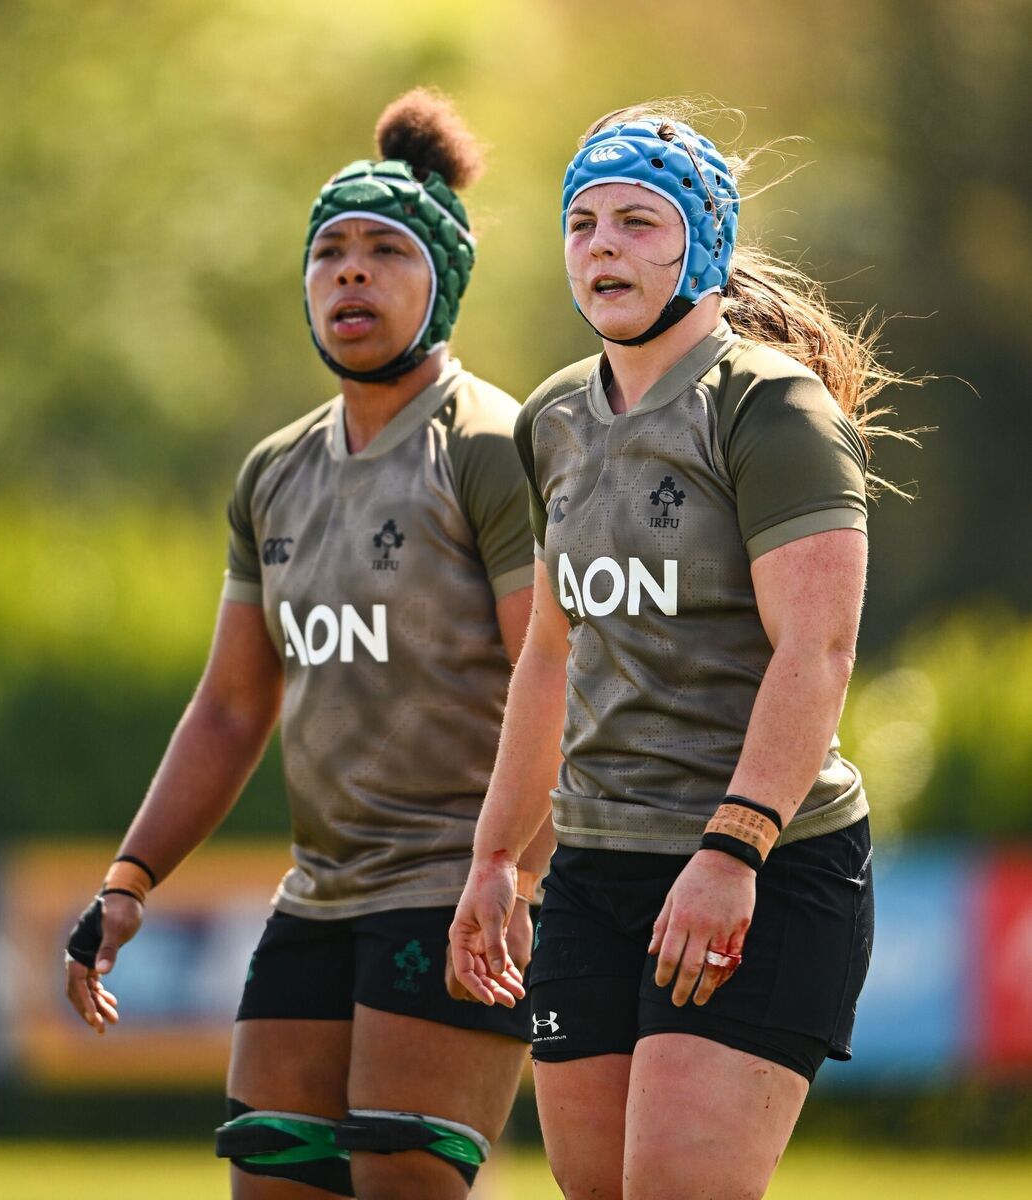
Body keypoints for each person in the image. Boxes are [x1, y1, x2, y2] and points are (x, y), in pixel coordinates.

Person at [64, 88, 550, 1200]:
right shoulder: (273, 472)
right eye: (329, 253)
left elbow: (557, 676)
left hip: (457, 886)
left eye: (386, 251)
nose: (350, 274)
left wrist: (517, 875)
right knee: (273, 1182)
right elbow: (232, 707)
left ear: (444, 280)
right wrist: (131, 879)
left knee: (401, 1178)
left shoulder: (490, 446)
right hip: (320, 895)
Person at [450, 102, 903, 1199]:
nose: (601, 245)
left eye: (638, 222)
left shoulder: (771, 407)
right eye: (582, 223)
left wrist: (732, 851)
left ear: (703, 243)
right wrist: (498, 859)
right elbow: (549, 657)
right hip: (595, 871)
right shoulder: (552, 417)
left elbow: (818, 650)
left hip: (762, 865)